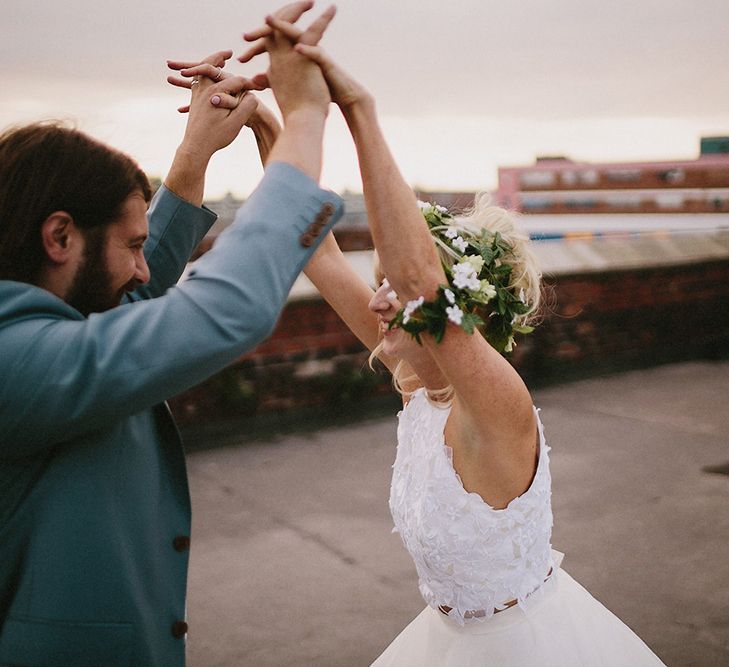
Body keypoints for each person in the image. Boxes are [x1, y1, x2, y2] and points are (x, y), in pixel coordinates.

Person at [235, 10, 667, 666]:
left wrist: (357, 110)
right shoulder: (414, 378)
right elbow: (316, 253)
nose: (377, 298)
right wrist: (271, 127)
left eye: (393, 287)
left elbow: (415, 282)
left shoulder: (496, 405)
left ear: (452, 310)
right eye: (379, 283)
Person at [0, 3, 341, 665]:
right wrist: (305, 121)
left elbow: (127, 300)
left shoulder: (44, 325)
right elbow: (218, 311)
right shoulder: (15, 361)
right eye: (131, 243)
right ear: (60, 236)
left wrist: (192, 158)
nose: (144, 265)